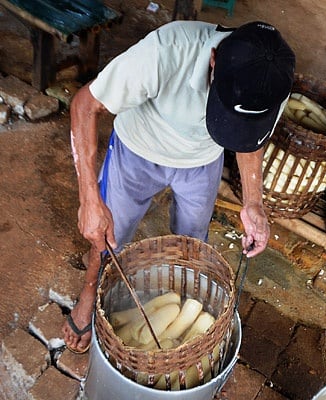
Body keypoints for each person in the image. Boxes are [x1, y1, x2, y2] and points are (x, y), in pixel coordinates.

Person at [62, 20, 295, 353]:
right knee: (109, 235)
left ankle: (175, 302)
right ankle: (89, 291)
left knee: (190, 243)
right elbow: (85, 105)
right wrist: (89, 199)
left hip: (201, 162)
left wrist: (253, 202)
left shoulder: (274, 81)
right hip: (138, 149)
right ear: (213, 59)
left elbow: (250, 138)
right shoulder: (166, 51)